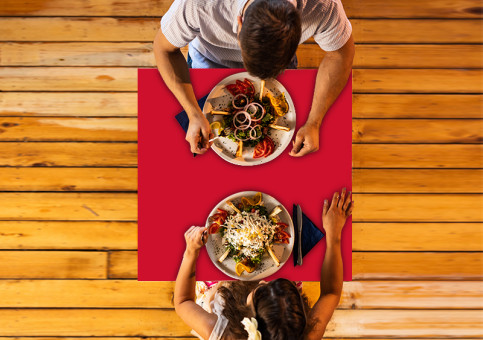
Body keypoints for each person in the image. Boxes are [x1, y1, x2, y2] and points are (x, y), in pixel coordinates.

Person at [154, 0, 354, 156]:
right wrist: (192, 113)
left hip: (280, 70)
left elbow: (340, 54)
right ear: (239, 24)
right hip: (208, 61)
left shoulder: (323, 6)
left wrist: (314, 123)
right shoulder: (197, 5)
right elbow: (163, 49)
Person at [174, 188, 353, 339]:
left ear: (249, 319)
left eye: (261, 289)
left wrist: (191, 252)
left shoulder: (224, 333)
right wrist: (334, 235)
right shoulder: (306, 334)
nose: (263, 281)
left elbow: (182, 302)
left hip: (222, 291)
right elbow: (331, 293)